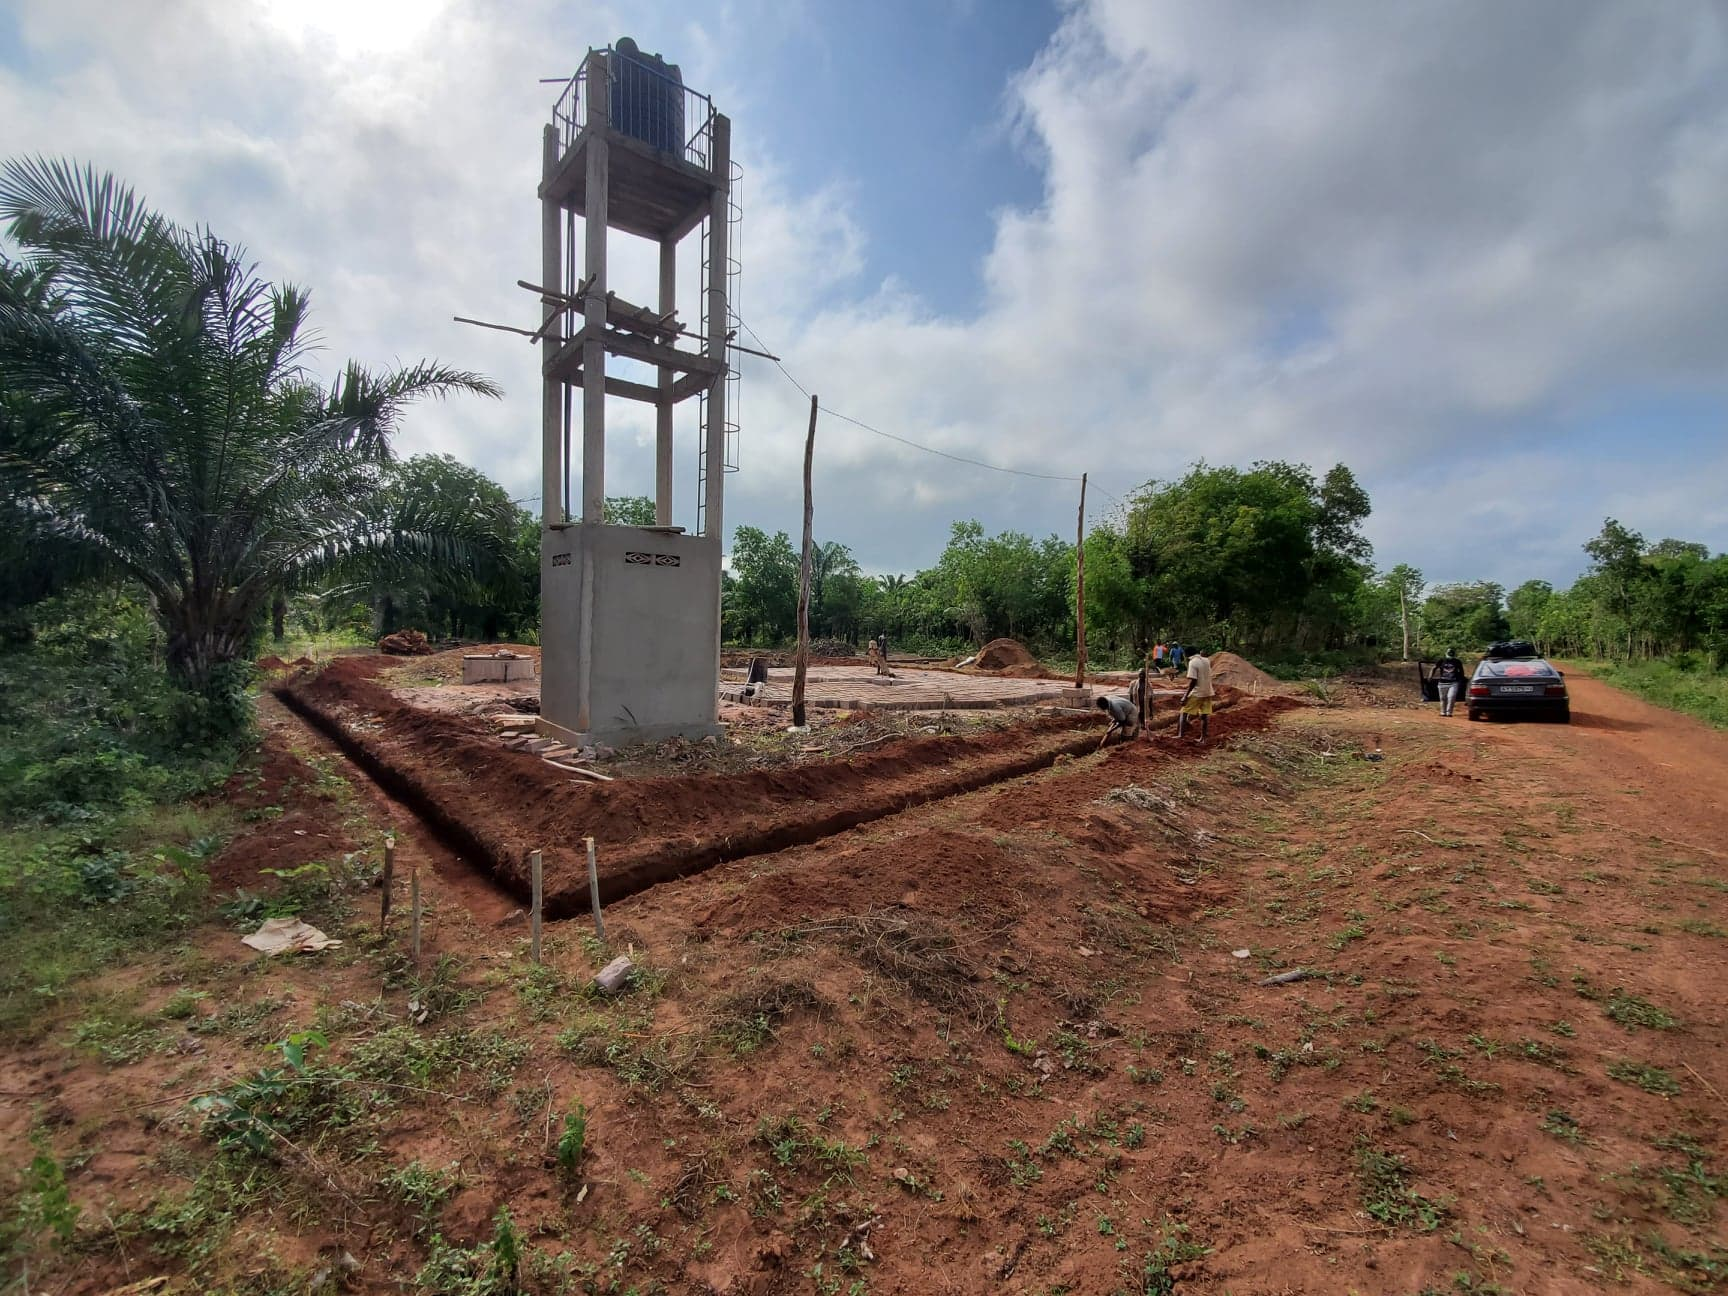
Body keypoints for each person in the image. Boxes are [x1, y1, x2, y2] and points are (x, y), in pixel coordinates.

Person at [1177, 645, 1214, 741]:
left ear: (1187, 654)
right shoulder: (1206, 660)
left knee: (1183, 712)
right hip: (1208, 691)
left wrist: (1185, 696)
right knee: (1204, 715)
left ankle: (1181, 735)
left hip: (1198, 692)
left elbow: (1193, 681)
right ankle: (1203, 738)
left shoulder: (1192, 662)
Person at [1432, 647, 1466, 718]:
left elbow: (1461, 672)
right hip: (1442, 683)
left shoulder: (1457, 662)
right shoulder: (1441, 660)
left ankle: (1449, 712)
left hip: (1453, 683)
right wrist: (1430, 676)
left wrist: (1461, 680)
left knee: (1451, 697)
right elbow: (1434, 668)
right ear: (1446, 654)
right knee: (1443, 698)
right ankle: (1443, 712)